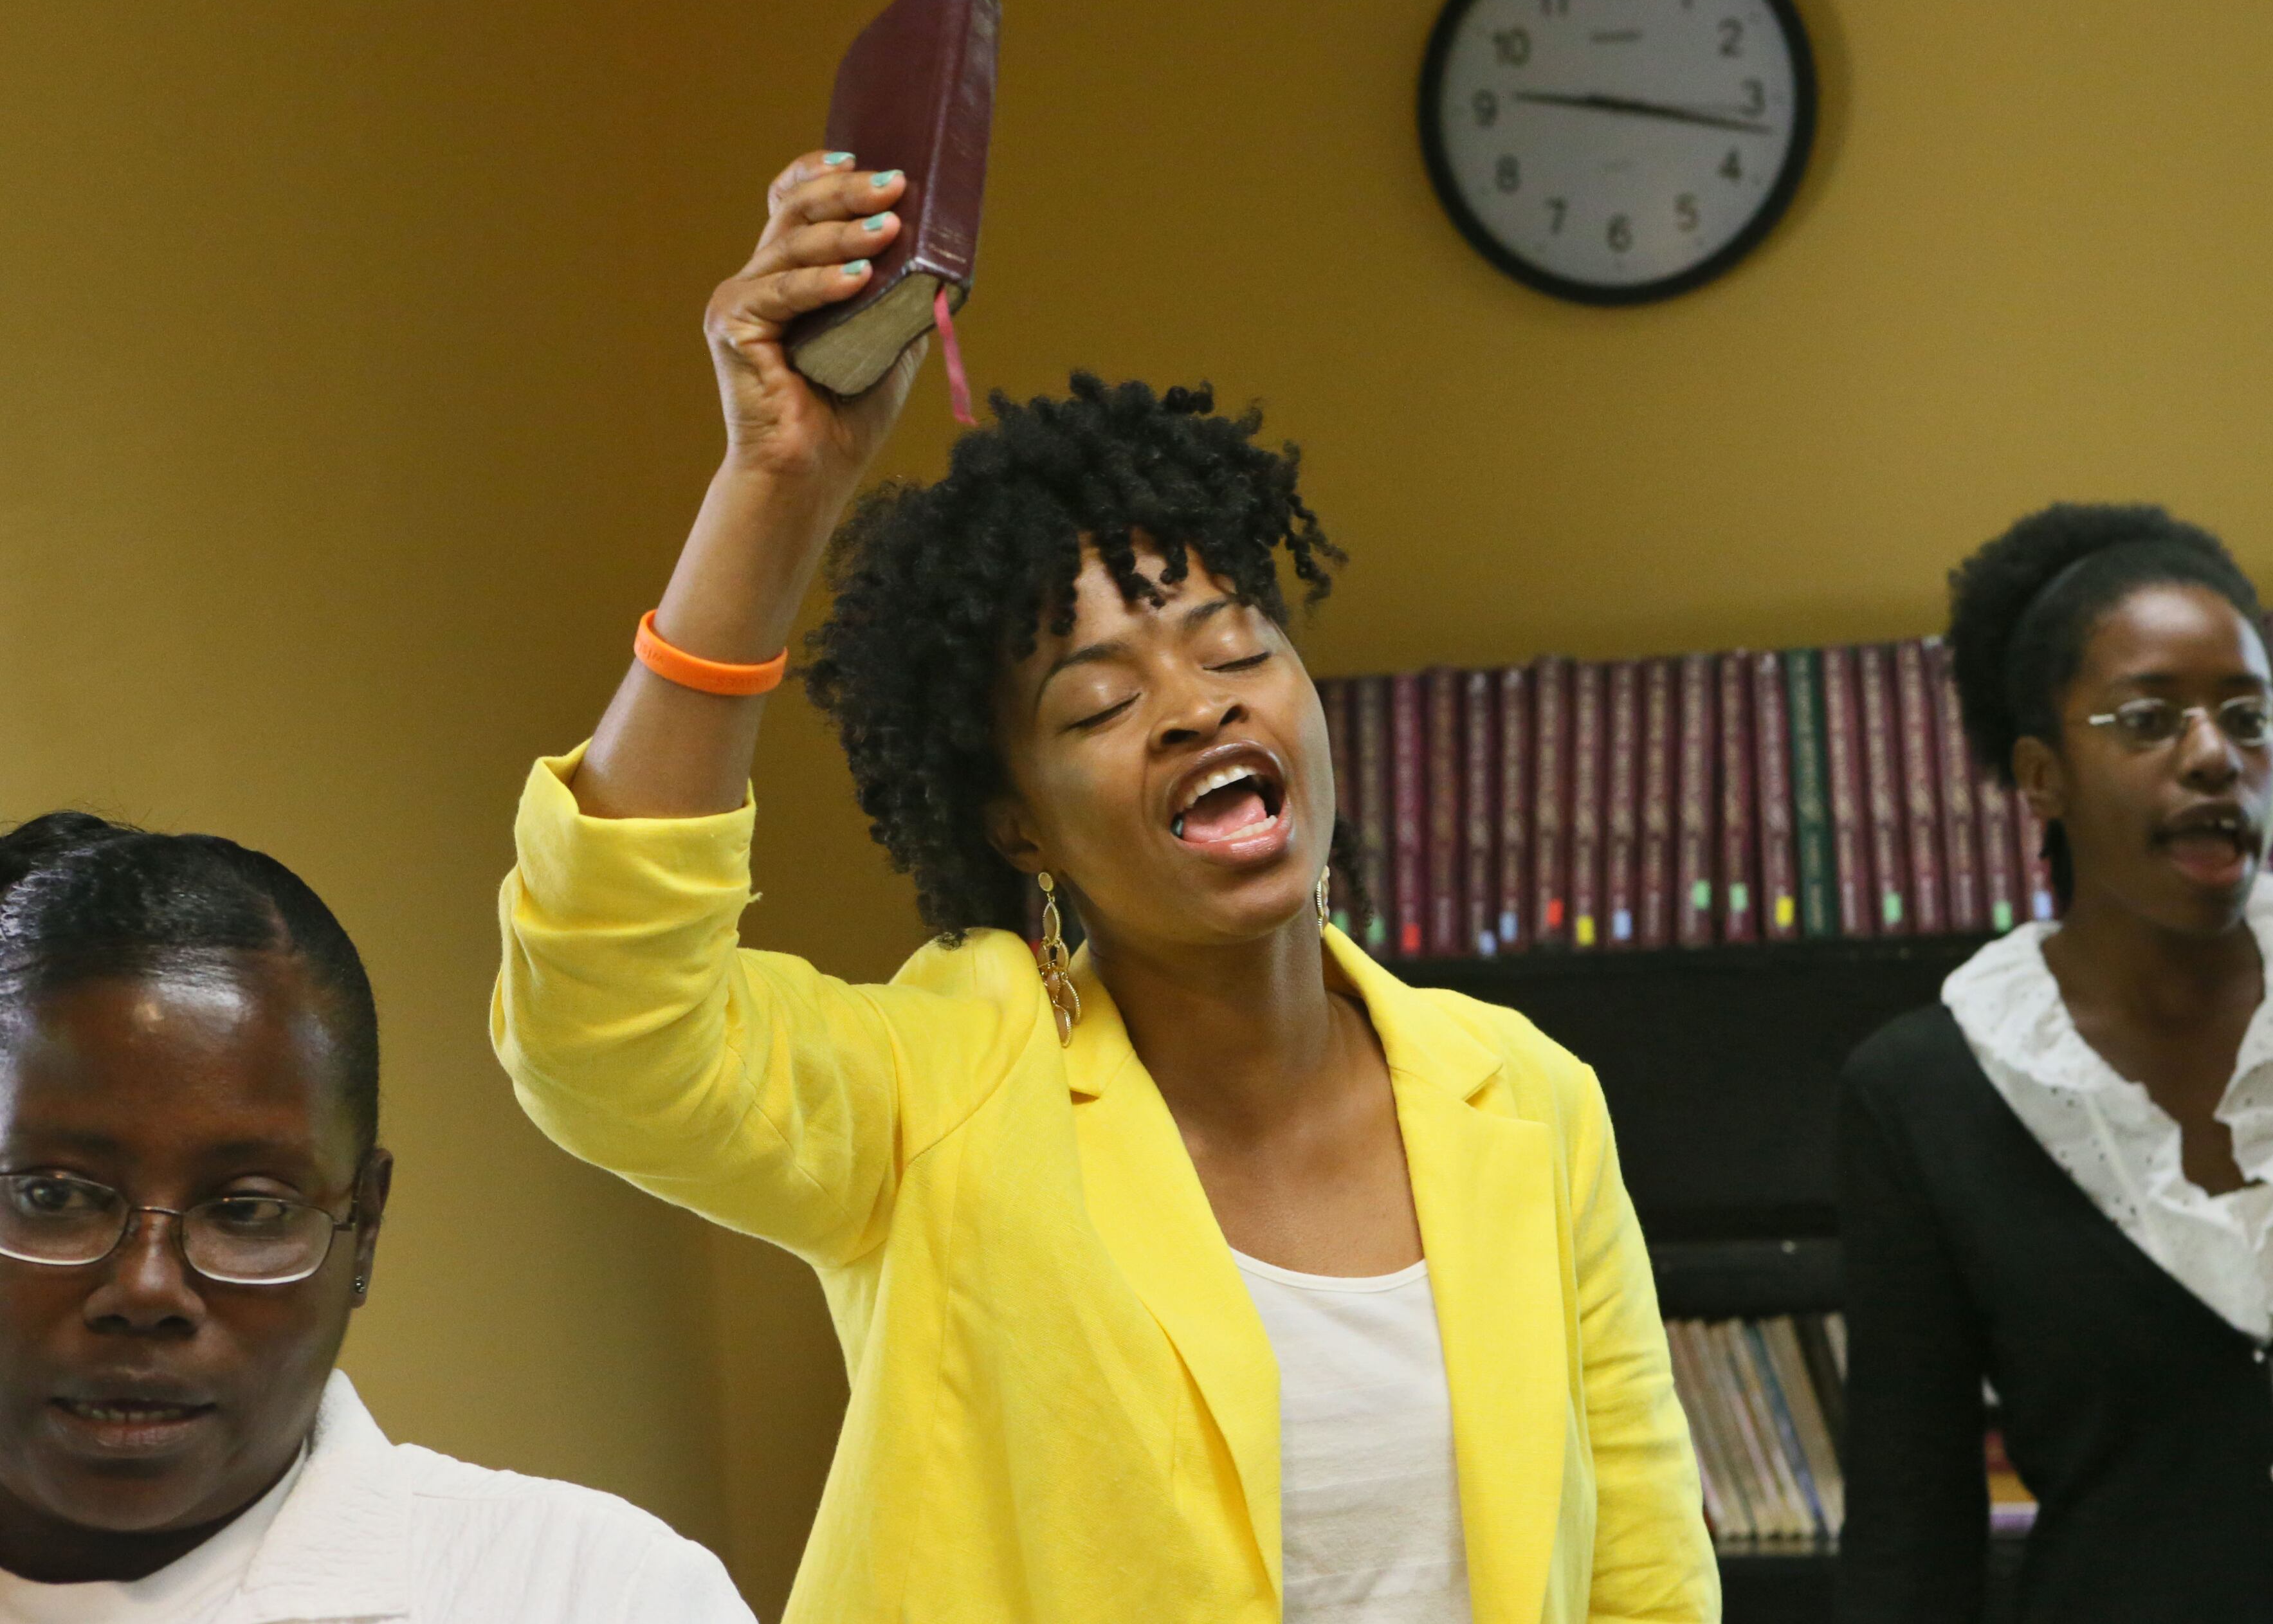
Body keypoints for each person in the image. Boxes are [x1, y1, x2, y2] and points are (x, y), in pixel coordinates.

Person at [489, 149, 1719, 1623]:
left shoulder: (1523, 1098)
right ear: (1019, 828)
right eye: (1095, 703)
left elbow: (1641, 1580)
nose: (1195, 706)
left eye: (1232, 644)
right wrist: (775, 489)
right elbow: (606, 1031)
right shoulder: (949, 1080)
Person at [1835, 503, 2273, 1623]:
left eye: (2248, 715)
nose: (2215, 756)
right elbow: (1911, 1527)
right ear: (2042, 776)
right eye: (2147, 720)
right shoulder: (1925, 1092)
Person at [0, 812, 753, 1623]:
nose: (145, 1290)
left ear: (366, 1223)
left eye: (250, 1209)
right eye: (55, 1196)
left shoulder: (592, 1592)